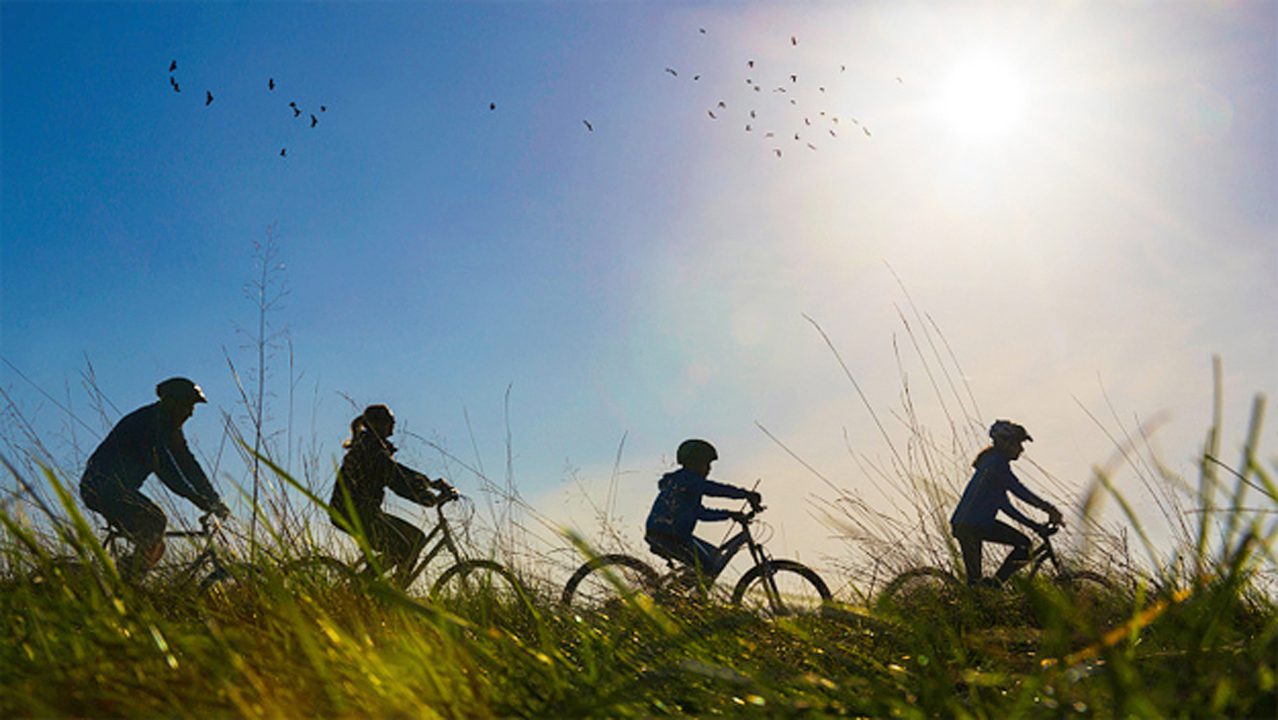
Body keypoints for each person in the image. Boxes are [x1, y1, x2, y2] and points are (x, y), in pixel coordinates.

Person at [80, 377, 230, 578]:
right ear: (171, 402)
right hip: (101, 488)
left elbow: (187, 464)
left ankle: (125, 582)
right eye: (187, 405)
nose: (191, 413)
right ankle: (124, 586)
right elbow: (165, 468)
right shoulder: (147, 424)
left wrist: (212, 498)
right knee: (154, 521)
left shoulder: (168, 428)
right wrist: (195, 498)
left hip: (117, 490)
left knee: (155, 543)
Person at [329, 404, 455, 584]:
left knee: (405, 543)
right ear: (378, 424)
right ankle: (378, 591)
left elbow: (398, 472)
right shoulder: (372, 449)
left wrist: (430, 484)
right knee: (413, 541)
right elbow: (396, 479)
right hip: (356, 514)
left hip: (356, 512)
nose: (394, 425)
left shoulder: (370, 446)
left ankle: (366, 587)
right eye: (391, 421)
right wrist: (428, 497)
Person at [950, 420, 1064, 586]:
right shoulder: (996, 464)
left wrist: (1034, 526)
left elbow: (1006, 506)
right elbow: (1018, 490)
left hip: (976, 525)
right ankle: (993, 587)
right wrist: (1048, 508)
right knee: (975, 584)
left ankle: (993, 588)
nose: (1022, 449)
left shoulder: (994, 463)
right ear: (1006, 443)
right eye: (1018, 443)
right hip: (970, 526)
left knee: (1024, 545)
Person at [644, 439, 762, 579]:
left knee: (713, 555)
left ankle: (682, 592)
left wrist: (729, 514)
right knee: (708, 568)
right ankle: (679, 598)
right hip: (668, 535)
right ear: (695, 463)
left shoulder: (684, 484)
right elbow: (713, 489)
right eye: (707, 464)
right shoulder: (688, 480)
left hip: (674, 534)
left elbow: (701, 513)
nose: (709, 469)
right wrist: (745, 494)